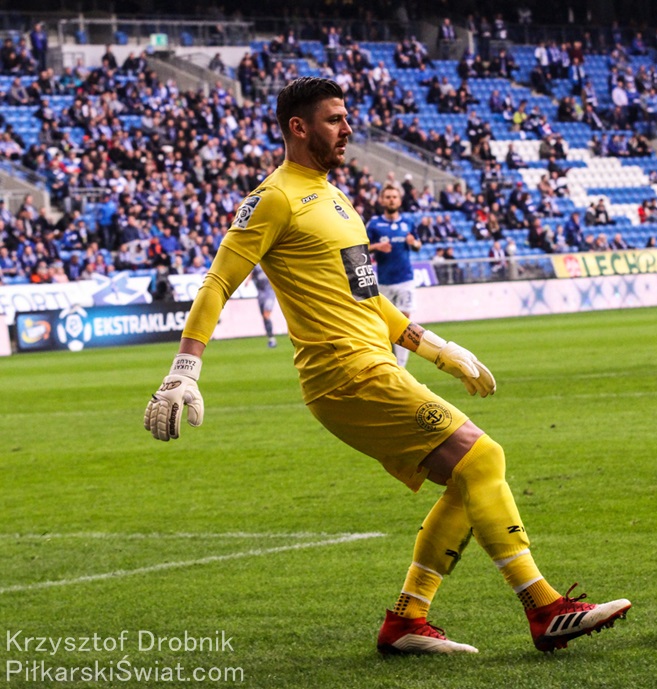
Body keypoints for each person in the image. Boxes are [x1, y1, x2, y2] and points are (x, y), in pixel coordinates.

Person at [143, 77, 631, 656]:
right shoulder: (274, 197)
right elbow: (218, 281)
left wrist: (440, 350)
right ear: (298, 127)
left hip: (372, 364)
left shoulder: (336, 199)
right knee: (483, 458)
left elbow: (370, 298)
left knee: (471, 476)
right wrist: (185, 367)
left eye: (346, 118)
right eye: (334, 119)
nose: (347, 129)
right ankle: (544, 609)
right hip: (344, 374)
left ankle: (407, 621)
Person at [366, 184, 422, 368]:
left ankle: (401, 367)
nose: (391, 200)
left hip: (405, 279)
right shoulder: (374, 224)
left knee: (405, 322)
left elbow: (418, 244)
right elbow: (362, 247)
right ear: (382, 200)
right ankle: (389, 363)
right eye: (388, 197)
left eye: (394, 197)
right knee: (386, 326)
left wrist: (414, 243)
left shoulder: (408, 222)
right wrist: (377, 247)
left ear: (399, 200)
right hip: (384, 282)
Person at [251, 263, 278, 348]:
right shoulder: (256, 265)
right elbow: (251, 273)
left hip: (270, 293)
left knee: (266, 315)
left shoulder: (269, 262)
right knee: (264, 317)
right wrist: (248, 281)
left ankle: (272, 339)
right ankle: (271, 338)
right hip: (261, 294)